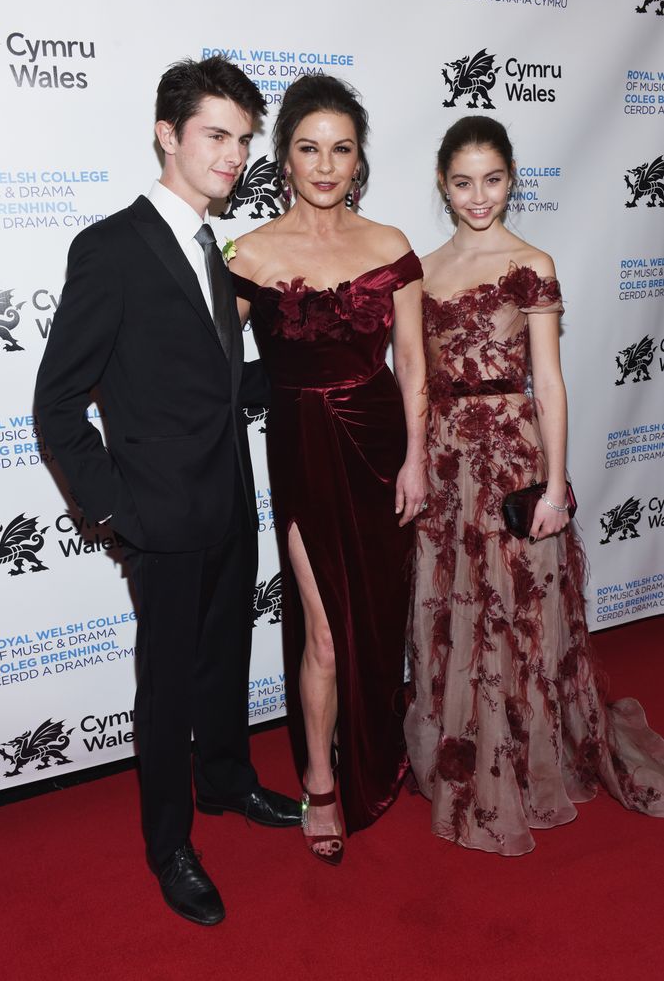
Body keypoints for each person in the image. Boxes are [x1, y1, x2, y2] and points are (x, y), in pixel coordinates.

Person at [34, 56, 301, 925]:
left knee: (224, 662)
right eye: (216, 136)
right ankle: (169, 844)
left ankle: (226, 782)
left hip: (229, 496)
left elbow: (214, 385)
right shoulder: (109, 247)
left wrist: (315, 379)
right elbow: (57, 405)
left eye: (243, 139)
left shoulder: (211, 249)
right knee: (168, 688)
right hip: (158, 515)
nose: (233, 156)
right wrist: (115, 511)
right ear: (168, 134)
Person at [404, 115, 664, 855]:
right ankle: (459, 747)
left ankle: (525, 752)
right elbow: (416, 382)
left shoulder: (532, 262)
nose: (477, 196)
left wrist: (556, 486)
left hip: (511, 456)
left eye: (491, 179)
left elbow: (546, 381)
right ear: (441, 183)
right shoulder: (418, 270)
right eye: (461, 182)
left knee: (515, 603)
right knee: (452, 603)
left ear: (511, 178)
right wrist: (416, 460)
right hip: (447, 458)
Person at [230, 75, 427, 864]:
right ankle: (319, 778)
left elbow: (412, 365)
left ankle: (373, 753)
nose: (324, 163)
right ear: (283, 157)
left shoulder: (389, 245)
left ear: (357, 161)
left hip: (383, 449)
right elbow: (200, 359)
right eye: (308, 147)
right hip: (304, 446)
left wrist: (415, 459)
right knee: (322, 629)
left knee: (377, 624)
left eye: (340, 149)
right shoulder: (248, 252)